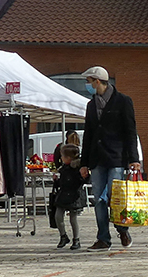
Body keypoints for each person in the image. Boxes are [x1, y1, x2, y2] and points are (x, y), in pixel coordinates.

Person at [79, 66, 141, 251]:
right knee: (99, 199)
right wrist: (84, 163)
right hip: (97, 159)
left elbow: (131, 131)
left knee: (116, 198)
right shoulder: (91, 105)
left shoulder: (123, 101)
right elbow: (88, 135)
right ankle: (103, 238)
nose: (87, 86)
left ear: (98, 82)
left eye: (89, 81)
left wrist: (133, 159)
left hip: (115, 158)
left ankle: (122, 229)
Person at [53, 144, 86, 250]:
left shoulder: (77, 168)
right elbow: (61, 184)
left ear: (69, 158)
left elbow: (82, 181)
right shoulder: (63, 168)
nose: (61, 158)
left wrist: (83, 178)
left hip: (74, 195)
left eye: (62, 156)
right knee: (58, 216)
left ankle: (76, 239)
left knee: (73, 218)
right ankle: (63, 236)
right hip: (63, 194)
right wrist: (56, 181)